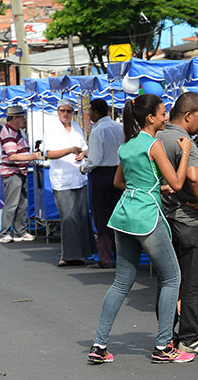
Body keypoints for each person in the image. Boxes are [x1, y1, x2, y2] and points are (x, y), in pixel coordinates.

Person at [88, 94, 195, 364]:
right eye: (162, 114)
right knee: (172, 278)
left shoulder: (127, 145)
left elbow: (119, 183)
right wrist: (185, 151)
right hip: (147, 216)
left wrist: (154, 186)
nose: (165, 118)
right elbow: (179, 182)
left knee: (121, 282)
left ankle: (99, 345)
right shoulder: (153, 145)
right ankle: (163, 347)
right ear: (150, 118)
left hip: (124, 215)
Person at [156, 92, 198, 355]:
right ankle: (190, 337)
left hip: (165, 219)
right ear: (188, 115)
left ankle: (166, 336)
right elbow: (195, 177)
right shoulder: (184, 141)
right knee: (193, 282)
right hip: (189, 220)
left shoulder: (158, 137)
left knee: (169, 281)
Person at [45, 99, 96, 266]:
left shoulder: (76, 128)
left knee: (81, 216)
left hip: (78, 175)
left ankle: (81, 253)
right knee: (68, 217)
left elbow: (84, 147)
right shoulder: (52, 129)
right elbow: (49, 153)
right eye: (62, 110)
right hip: (62, 179)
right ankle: (67, 255)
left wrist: (83, 153)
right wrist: (69, 150)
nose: (65, 114)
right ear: (58, 111)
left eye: (68, 111)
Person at [80, 99, 124, 269]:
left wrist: (83, 169)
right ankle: (120, 256)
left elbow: (94, 160)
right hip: (119, 173)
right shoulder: (118, 127)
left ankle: (105, 258)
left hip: (102, 175)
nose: (89, 114)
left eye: (90, 111)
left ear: (97, 113)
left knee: (102, 217)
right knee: (118, 216)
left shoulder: (98, 131)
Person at [0, 106, 42, 244]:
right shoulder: (8, 133)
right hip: (12, 173)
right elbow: (12, 156)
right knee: (12, 204)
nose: (24, 120)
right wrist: (32, 157)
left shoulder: (16, 131)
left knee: (22, 203)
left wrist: (29, 155)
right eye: (22, 117)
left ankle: (20, 231)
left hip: (19, 172)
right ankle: (5, 232)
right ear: (15, 118)